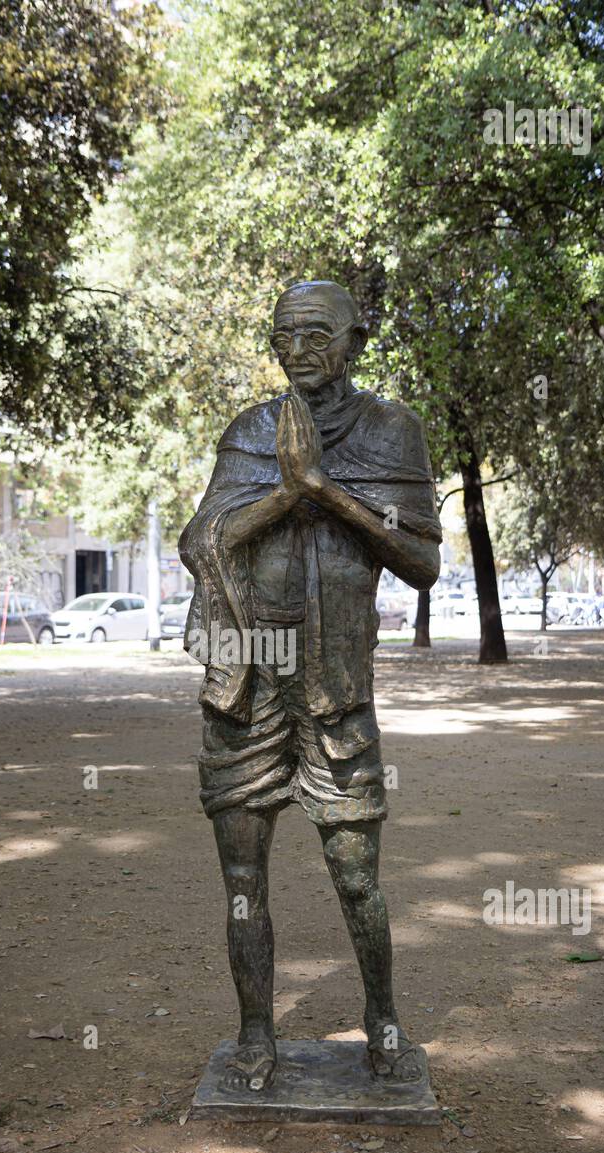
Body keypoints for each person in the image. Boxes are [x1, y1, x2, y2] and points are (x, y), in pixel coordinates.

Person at [180, 280, 441, 1092]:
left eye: (317, 333)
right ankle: (255, 1032)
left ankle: (385, 1020)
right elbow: (204, 540)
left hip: (334, 689)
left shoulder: (394, 433)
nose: (299, 347)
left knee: (356, 873)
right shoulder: (251, 432)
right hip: (249, 686)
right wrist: (286, 493)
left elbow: (422, 562)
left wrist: (328, 493)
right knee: (242, 879)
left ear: (356, 341)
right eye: (285, 333)